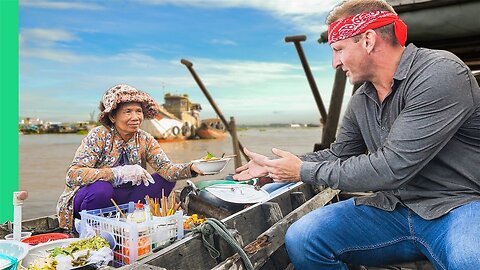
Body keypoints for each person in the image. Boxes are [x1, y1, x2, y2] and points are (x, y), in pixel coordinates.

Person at [233, 0, 480, 269]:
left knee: (471, 260)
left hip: (458, 206)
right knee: (304, 237)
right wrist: (274, 169)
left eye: (338, 49)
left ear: (368, 40)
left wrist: (302, 171)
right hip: (394, 208)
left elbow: (392, 167)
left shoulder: (440, 72)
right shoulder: (362, 99)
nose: (335, 63)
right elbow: (338, 154)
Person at [57, 84, 202, 230]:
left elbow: (166, 168)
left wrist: (192, 167)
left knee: (166, 179)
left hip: (123, 199)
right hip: (91, 201)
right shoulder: (98, 135)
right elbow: (73, 174)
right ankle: (89, 229)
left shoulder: (145, 139)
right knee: (102, 188)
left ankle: (131, 218)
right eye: (128, 111)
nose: (136, 117)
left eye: (138, 111)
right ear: (112, 116)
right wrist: (116, 173)